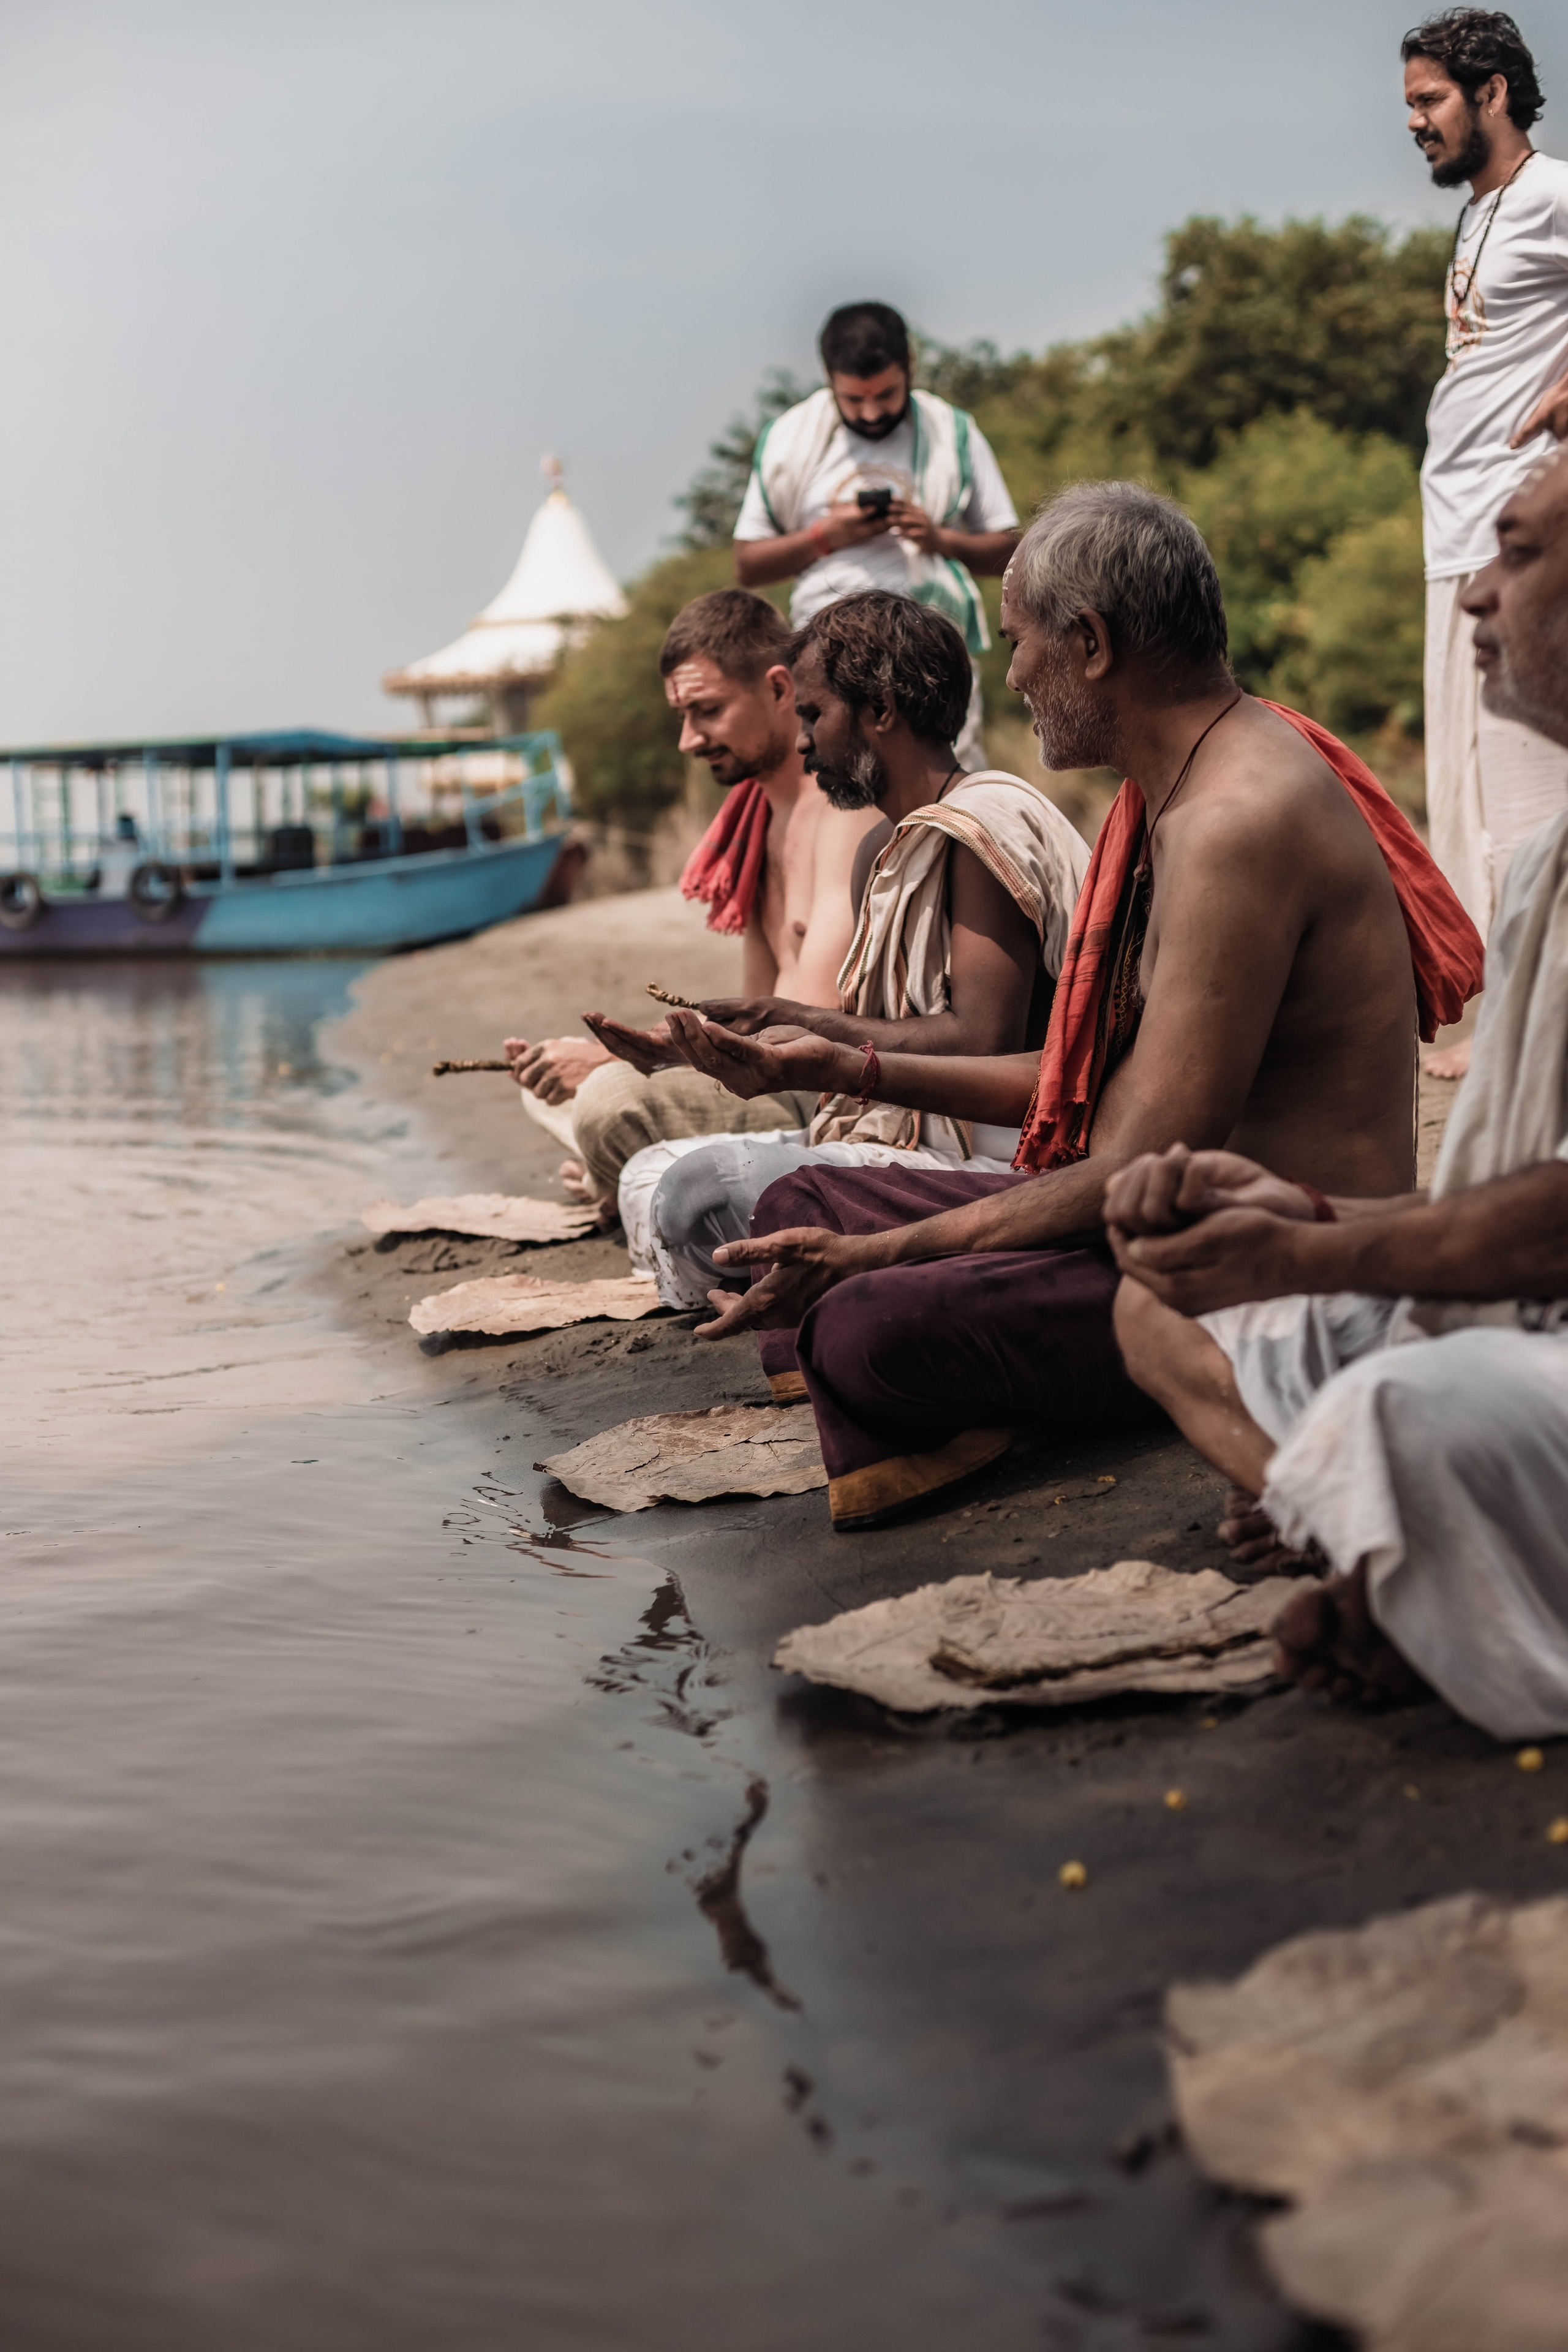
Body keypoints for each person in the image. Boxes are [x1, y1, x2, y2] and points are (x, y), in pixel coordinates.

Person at [697, 483, 1484, 1529]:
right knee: (802, 1209)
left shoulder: (1234, 818)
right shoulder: (1173, 790)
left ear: (1092, 643)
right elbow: (1113, 1093)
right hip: (1134, 1213)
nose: (1014, 674)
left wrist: (890, 1254)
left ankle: (991, 1384)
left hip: (1260, 1269)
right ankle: (962, 1374)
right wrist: (841, 1064)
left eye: (1022, 643)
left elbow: (1132, 1169)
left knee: (857, 1324)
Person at [1106, 450, 1568, 1742]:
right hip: (1500, 1308)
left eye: (1519, 555)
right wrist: (1285, 1212)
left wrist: (1304, 1236)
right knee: (1154, 1310)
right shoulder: (1544, 866)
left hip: (1525, 1322)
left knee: (1393, 1409)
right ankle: (1393, 1566)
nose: (1473, 596)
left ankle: (1387, 1574)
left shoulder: (1234, 810)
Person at [587, 592, 1088, 1319]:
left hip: (995, 1157)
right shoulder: (879, 852)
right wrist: (715, 1045)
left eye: (814, 716)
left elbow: (982, 1040)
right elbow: (873, 1028)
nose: (801, 744)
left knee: (700, 1197)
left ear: (880, 711)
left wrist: (801, 1024)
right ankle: (811, 1288)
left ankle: (821, 1290)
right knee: (645, 1177)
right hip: (902, 1132)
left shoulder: (978, 825)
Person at [502, 589, 878, 1206]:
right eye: (683, 717)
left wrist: (623, 1068)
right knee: (558, 1087)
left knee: (607, 1101)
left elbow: (813, 1023)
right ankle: (634, 1159)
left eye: (705, 710)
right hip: (764, 1071)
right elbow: (752, 1009)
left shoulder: (843, 809)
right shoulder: (759, 818)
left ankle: (631, 1163)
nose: (687, 739)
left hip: (822, 1088)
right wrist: (622, 1056)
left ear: (779, 690)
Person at [1403, 9, 1568, 1072]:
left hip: (1519, 529)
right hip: (1451, 531)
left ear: (1494, 92)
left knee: (1524, 785)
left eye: (1430, 100)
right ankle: (1500, 1003)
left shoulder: (1555, 192)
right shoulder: (1480, 214)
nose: (1414, 122)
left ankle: (1534, 1022)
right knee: (1459, 784)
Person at [732, 301, 1019, 769]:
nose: (870, 413)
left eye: (885, 396)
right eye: (853, 400)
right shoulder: (790, 439)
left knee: (946, 792)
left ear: (910, 368)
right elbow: (748, 563)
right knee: (840, 786)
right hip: (826, 656)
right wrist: (826, 536)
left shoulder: (953, 432)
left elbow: (1010, 551)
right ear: (829, 380)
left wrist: (940, 539)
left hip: (931, 651)